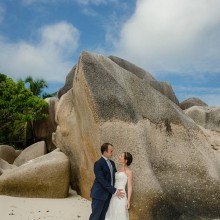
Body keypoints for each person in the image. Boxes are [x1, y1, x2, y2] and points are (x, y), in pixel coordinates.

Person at [89, 143, 125, 220]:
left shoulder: (112, 163)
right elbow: (102, 180)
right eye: (111, 151)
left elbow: (115, 176)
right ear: (105, 152)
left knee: (103, 217)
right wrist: (114, 191)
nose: (112, 153)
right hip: (99, 194)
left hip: (108, 195)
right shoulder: (98, 164)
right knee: (95, 216)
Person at [105, 152, 133, 220]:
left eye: (121, 156)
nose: (119, 157)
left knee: (120, 214)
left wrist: (128, 201)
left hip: (121, 195)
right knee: (112, 213)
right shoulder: (118, 169)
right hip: (114, 194)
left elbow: (129, 186)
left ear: (126, 160)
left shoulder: (129, 172)